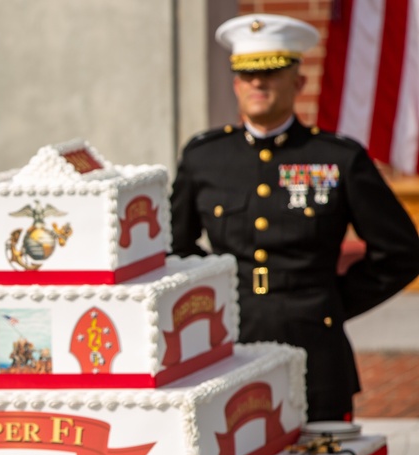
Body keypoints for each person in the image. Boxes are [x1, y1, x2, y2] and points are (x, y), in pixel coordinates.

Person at [170, 14, 419, 423]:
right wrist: (215, 302)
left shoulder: (338, 158)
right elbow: (176, 248)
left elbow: (402, 252)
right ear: (235, 83)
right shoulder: (204, 159)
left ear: (298, 82)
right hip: (229, 347)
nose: (258, 84)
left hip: (315, 352)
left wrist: (333, 302)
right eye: (247, 75)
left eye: (270, 72)